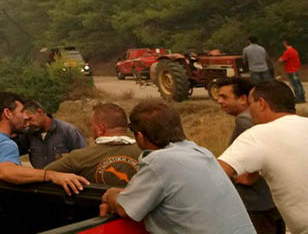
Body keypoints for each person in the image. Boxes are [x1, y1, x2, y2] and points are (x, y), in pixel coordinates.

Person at [100, 100, 255, 234]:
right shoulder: (201, 153)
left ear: (140, 136)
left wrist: (111, 194)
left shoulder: (159, 161)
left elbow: (124, 208)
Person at [219, 81, 308, 234]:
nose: (249, 110)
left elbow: (214, 173)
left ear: (261, 103)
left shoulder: (257, 135)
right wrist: (254, 172)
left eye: (250, 103)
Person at [0, 92, 89, 195]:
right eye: (21, 111)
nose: (24, 117)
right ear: (7, 113)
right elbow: (7, 172)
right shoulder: (5, 144)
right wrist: (51, 175)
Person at [215, 78, 284, 234]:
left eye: (224, 97)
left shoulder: (244, 122)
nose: (219, 101)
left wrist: (250, 176)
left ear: (243, 99)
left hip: (256, 201)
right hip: (271, 199)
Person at [44, 103, 140, 186]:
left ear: (100, 129)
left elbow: (44, 173)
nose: (91, 128)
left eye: (91, 125)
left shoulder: (79, 157)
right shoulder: (147, 153)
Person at [17, 99, 87, 168]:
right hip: (40, 178)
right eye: (25, 121)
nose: (28, 124)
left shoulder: (69, 131)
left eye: (30, 119)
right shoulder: (28, 134)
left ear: (40, 111)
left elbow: (83, 159)